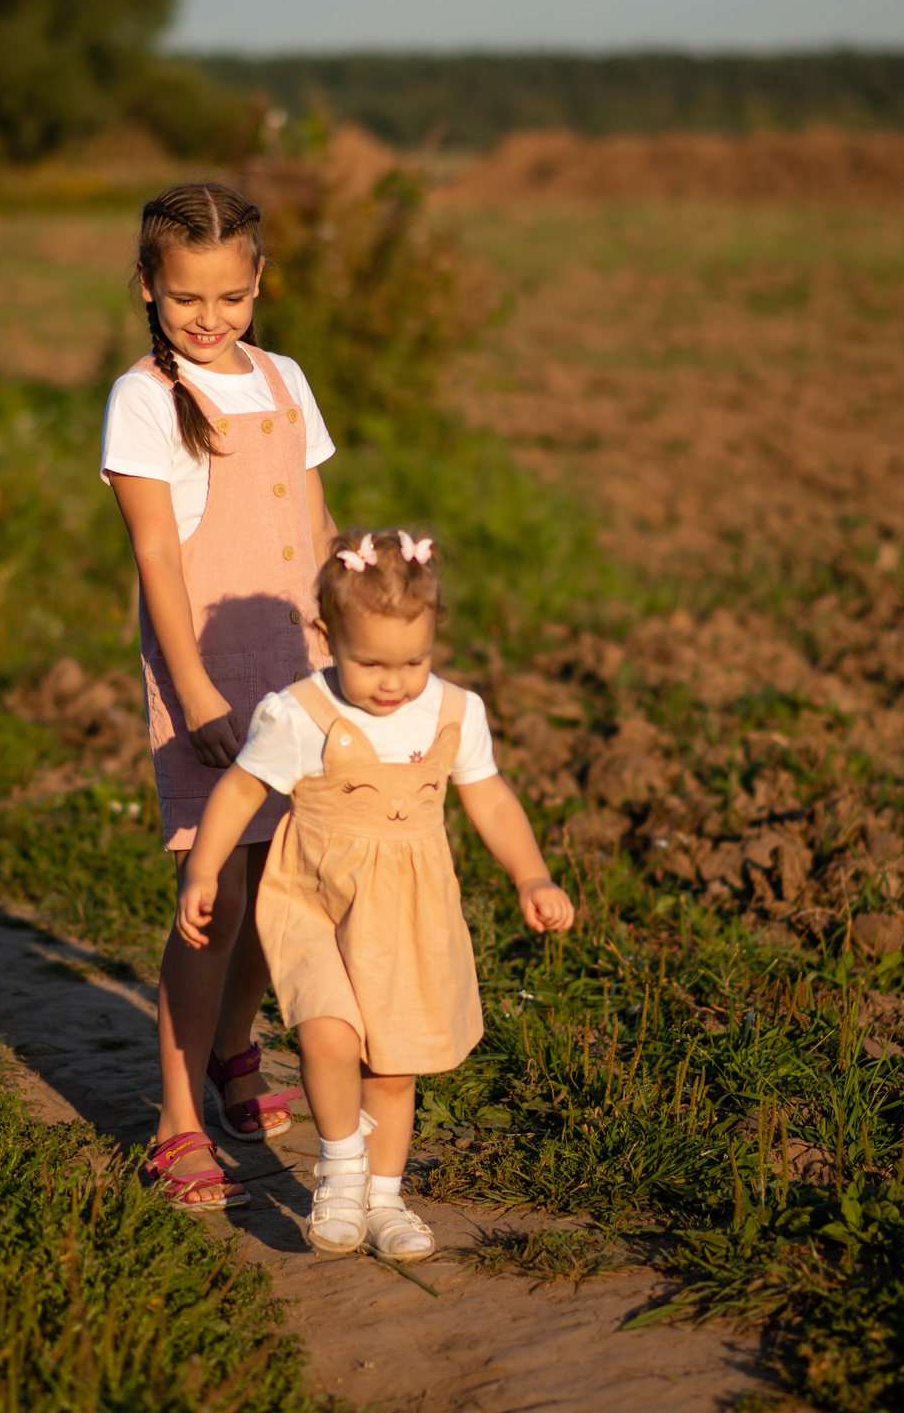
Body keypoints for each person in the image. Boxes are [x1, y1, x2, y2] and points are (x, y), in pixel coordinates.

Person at [177, 529, 576, 1260]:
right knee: (328, 1035)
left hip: (407, 913)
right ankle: (339, 1175)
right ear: (327, 638)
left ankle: (387, 1200)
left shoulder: (455, 713)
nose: (393, 683)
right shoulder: (298, 711)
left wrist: (532, 874)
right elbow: (240, 789)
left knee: (391, 1068)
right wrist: (205, 868)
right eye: (369, 663)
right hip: (314, 901)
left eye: (413, 662)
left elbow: (489, 798)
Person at [104, 181, 336, 1208]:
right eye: (186, 297)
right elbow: (156, 549)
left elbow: (317, 527)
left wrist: (343, 661)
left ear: (256, 283)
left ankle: (236, 1060)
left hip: (297, 668)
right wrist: (193, 690)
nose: (209, 319)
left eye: (229, 297)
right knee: (218, 898)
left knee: (277, 886)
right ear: (149, 286)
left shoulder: (284, 377)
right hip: (210, 673)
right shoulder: (145, 397)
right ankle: (176, 1119)